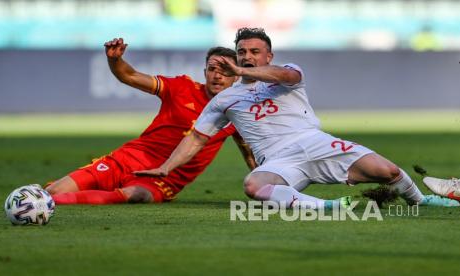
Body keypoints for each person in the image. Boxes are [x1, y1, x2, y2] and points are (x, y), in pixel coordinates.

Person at [136, 27, 459, 208]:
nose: (247, 57)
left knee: (387, 170)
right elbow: (196, 137)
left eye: (253, 52)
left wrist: (242, 72)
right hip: (278, 160)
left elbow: (286, 77)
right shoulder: (225, 99)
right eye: (242, 52)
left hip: (316, 143)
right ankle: (328, 208)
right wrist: (166, 167)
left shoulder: (286, 73)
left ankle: (421, 200)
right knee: (254, 184)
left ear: (268, 55)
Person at [46, 38, 256, 204]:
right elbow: (130, 76)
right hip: (129, 158)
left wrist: (265, 187)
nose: (217, 76)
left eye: (225, 71)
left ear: (236, 76)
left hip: (165, 179)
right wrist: (114, 60)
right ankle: (42, 200)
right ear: (205, 72)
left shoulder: (237, 112)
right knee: (54, 190)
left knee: (136, 195)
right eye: (212, 70)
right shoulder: (181, 87)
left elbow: (251, 156)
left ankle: (51, 204)